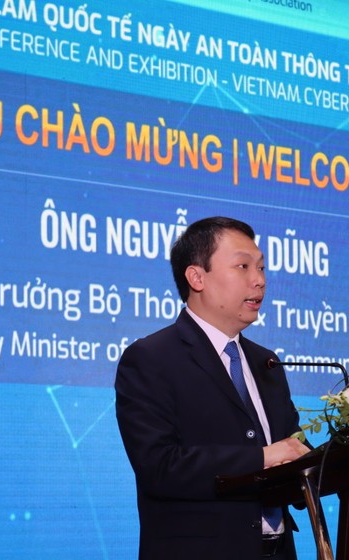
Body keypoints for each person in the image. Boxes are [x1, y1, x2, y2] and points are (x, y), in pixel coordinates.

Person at [115, 216, 310, 560]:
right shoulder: (151, 358)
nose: (260, 280)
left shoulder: (266, 363)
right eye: (243, 266)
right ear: (197, 277)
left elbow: (291, 450)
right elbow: (160, 467)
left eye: (262, 268)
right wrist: (262, 457)